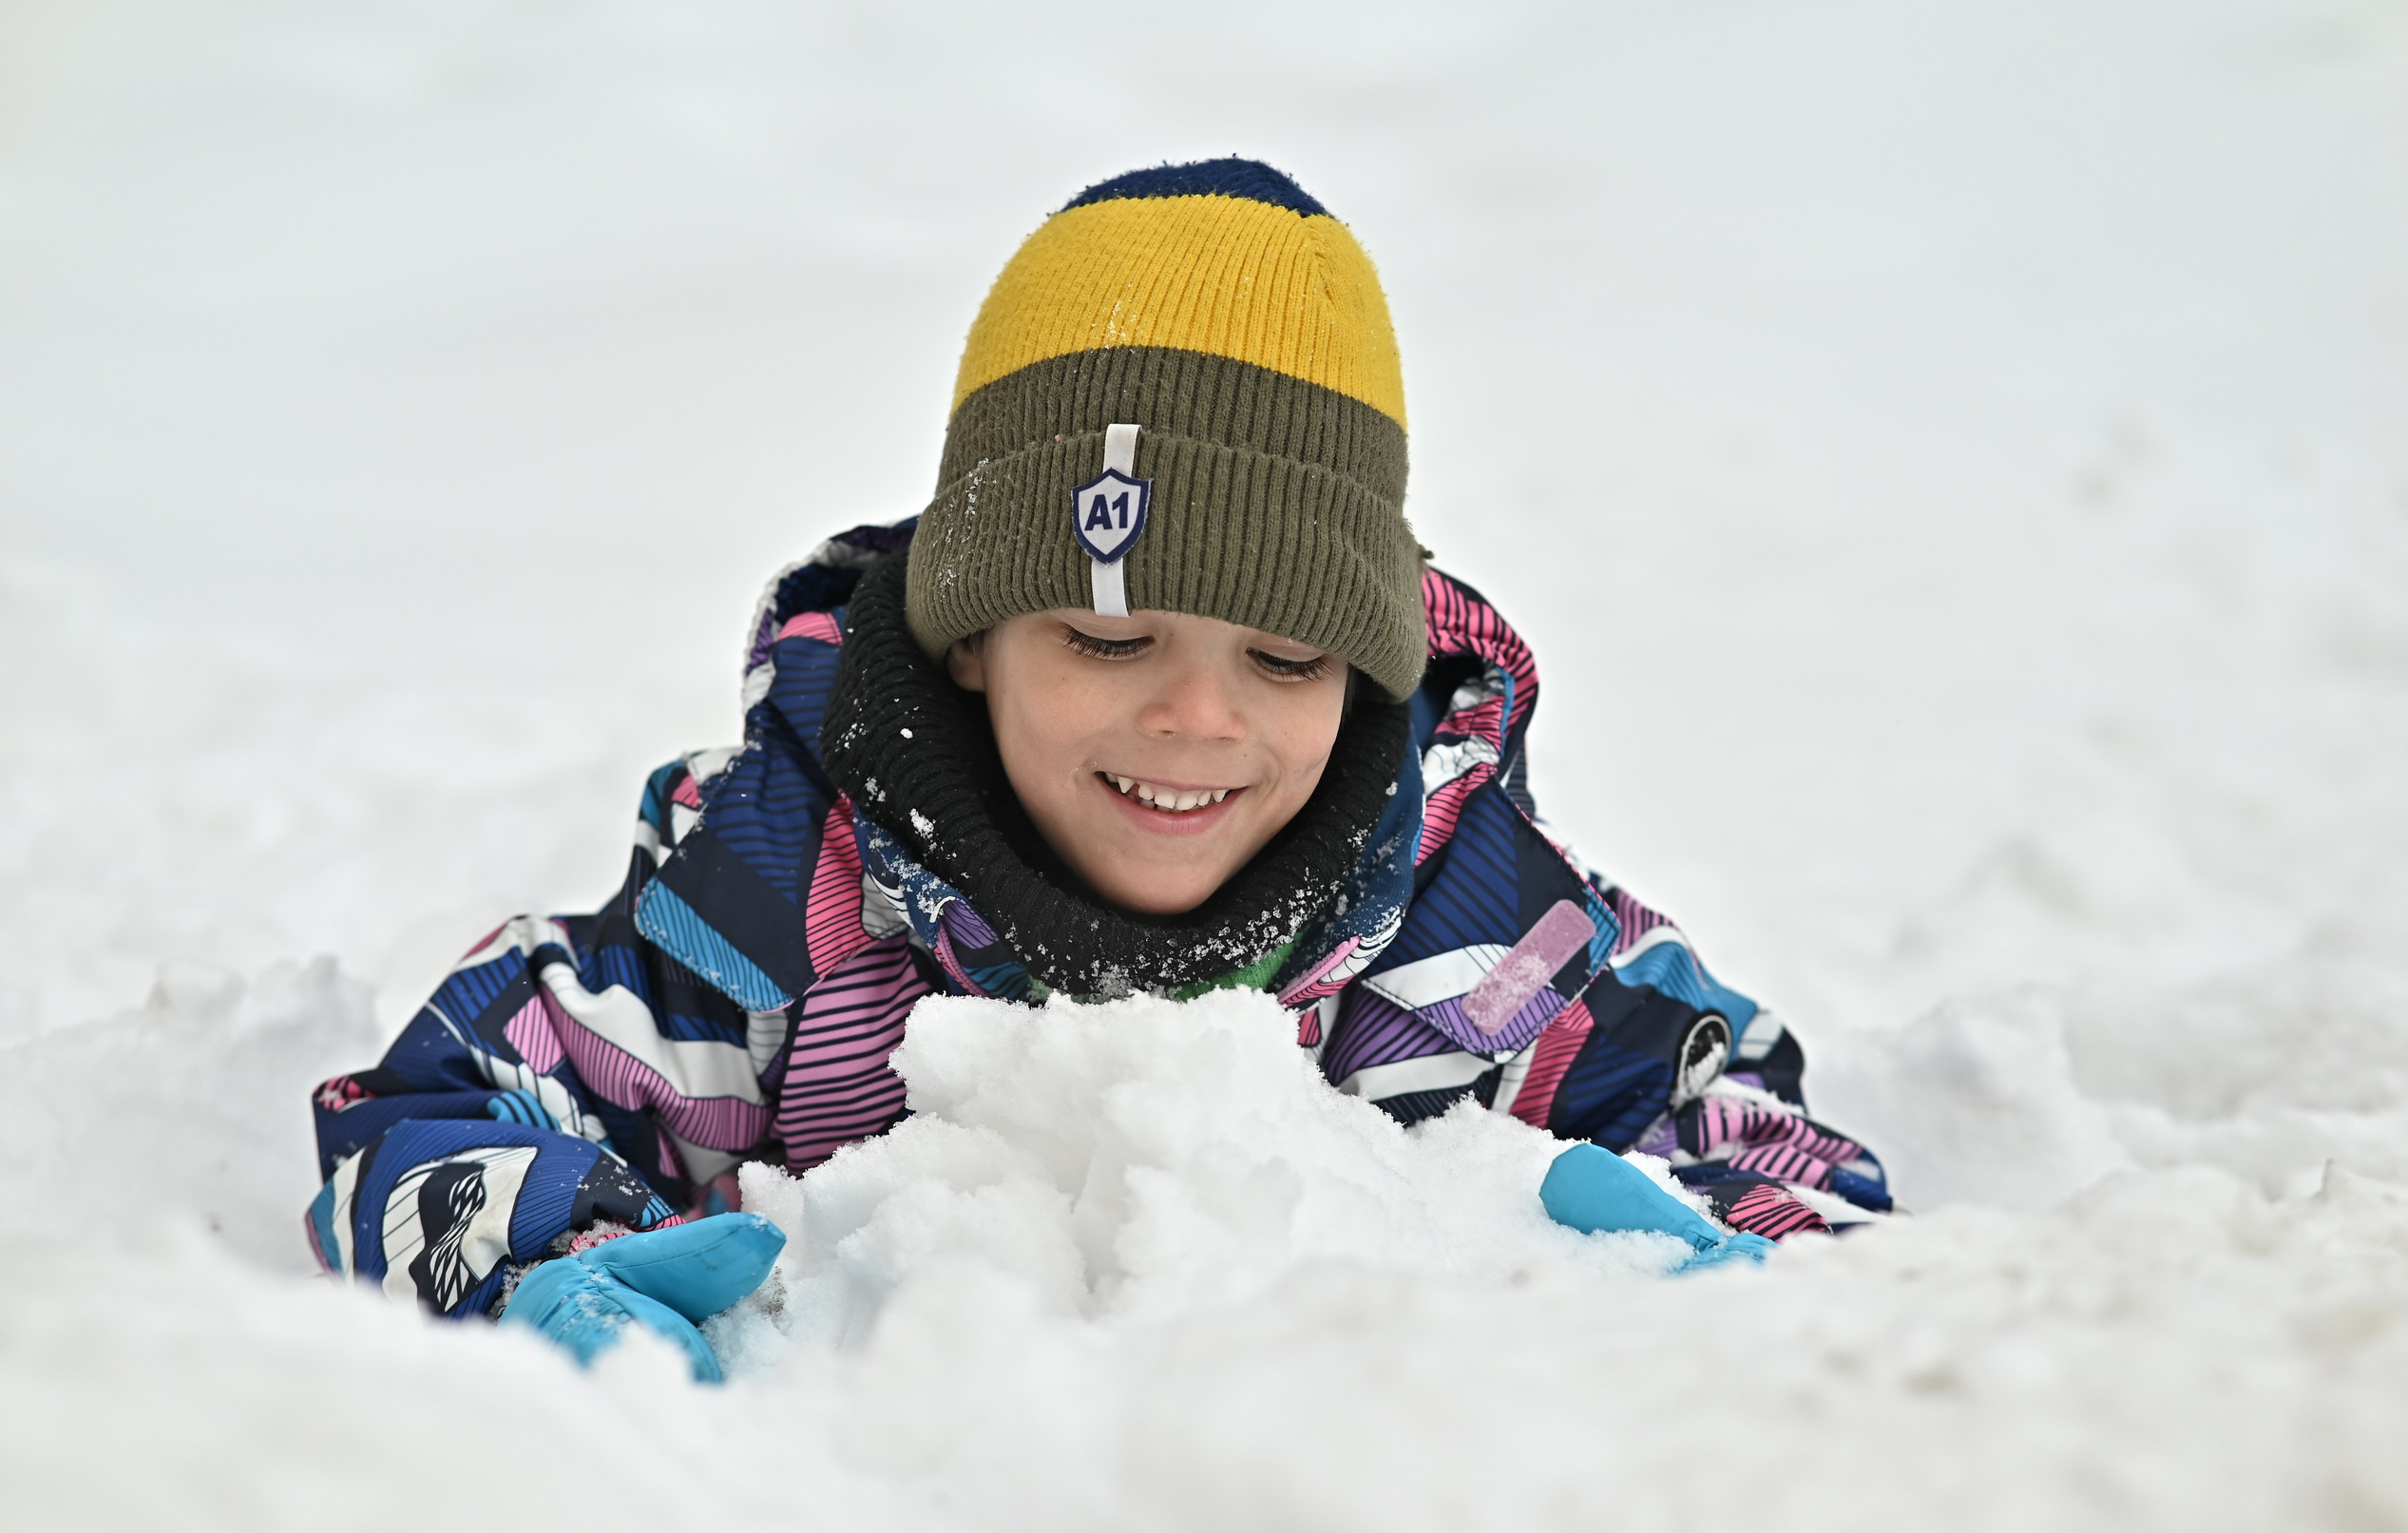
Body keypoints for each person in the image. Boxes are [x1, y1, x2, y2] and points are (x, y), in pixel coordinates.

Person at [305, 159, 1891, 1379]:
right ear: (974, 633)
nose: (1197, 724)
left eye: (1283, 659)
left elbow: (1773, 1145)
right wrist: (545, 1268)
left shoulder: (1478, 947)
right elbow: (448, 1100)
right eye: (1111, 641)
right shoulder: (778, 907)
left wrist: (1712, 1291)